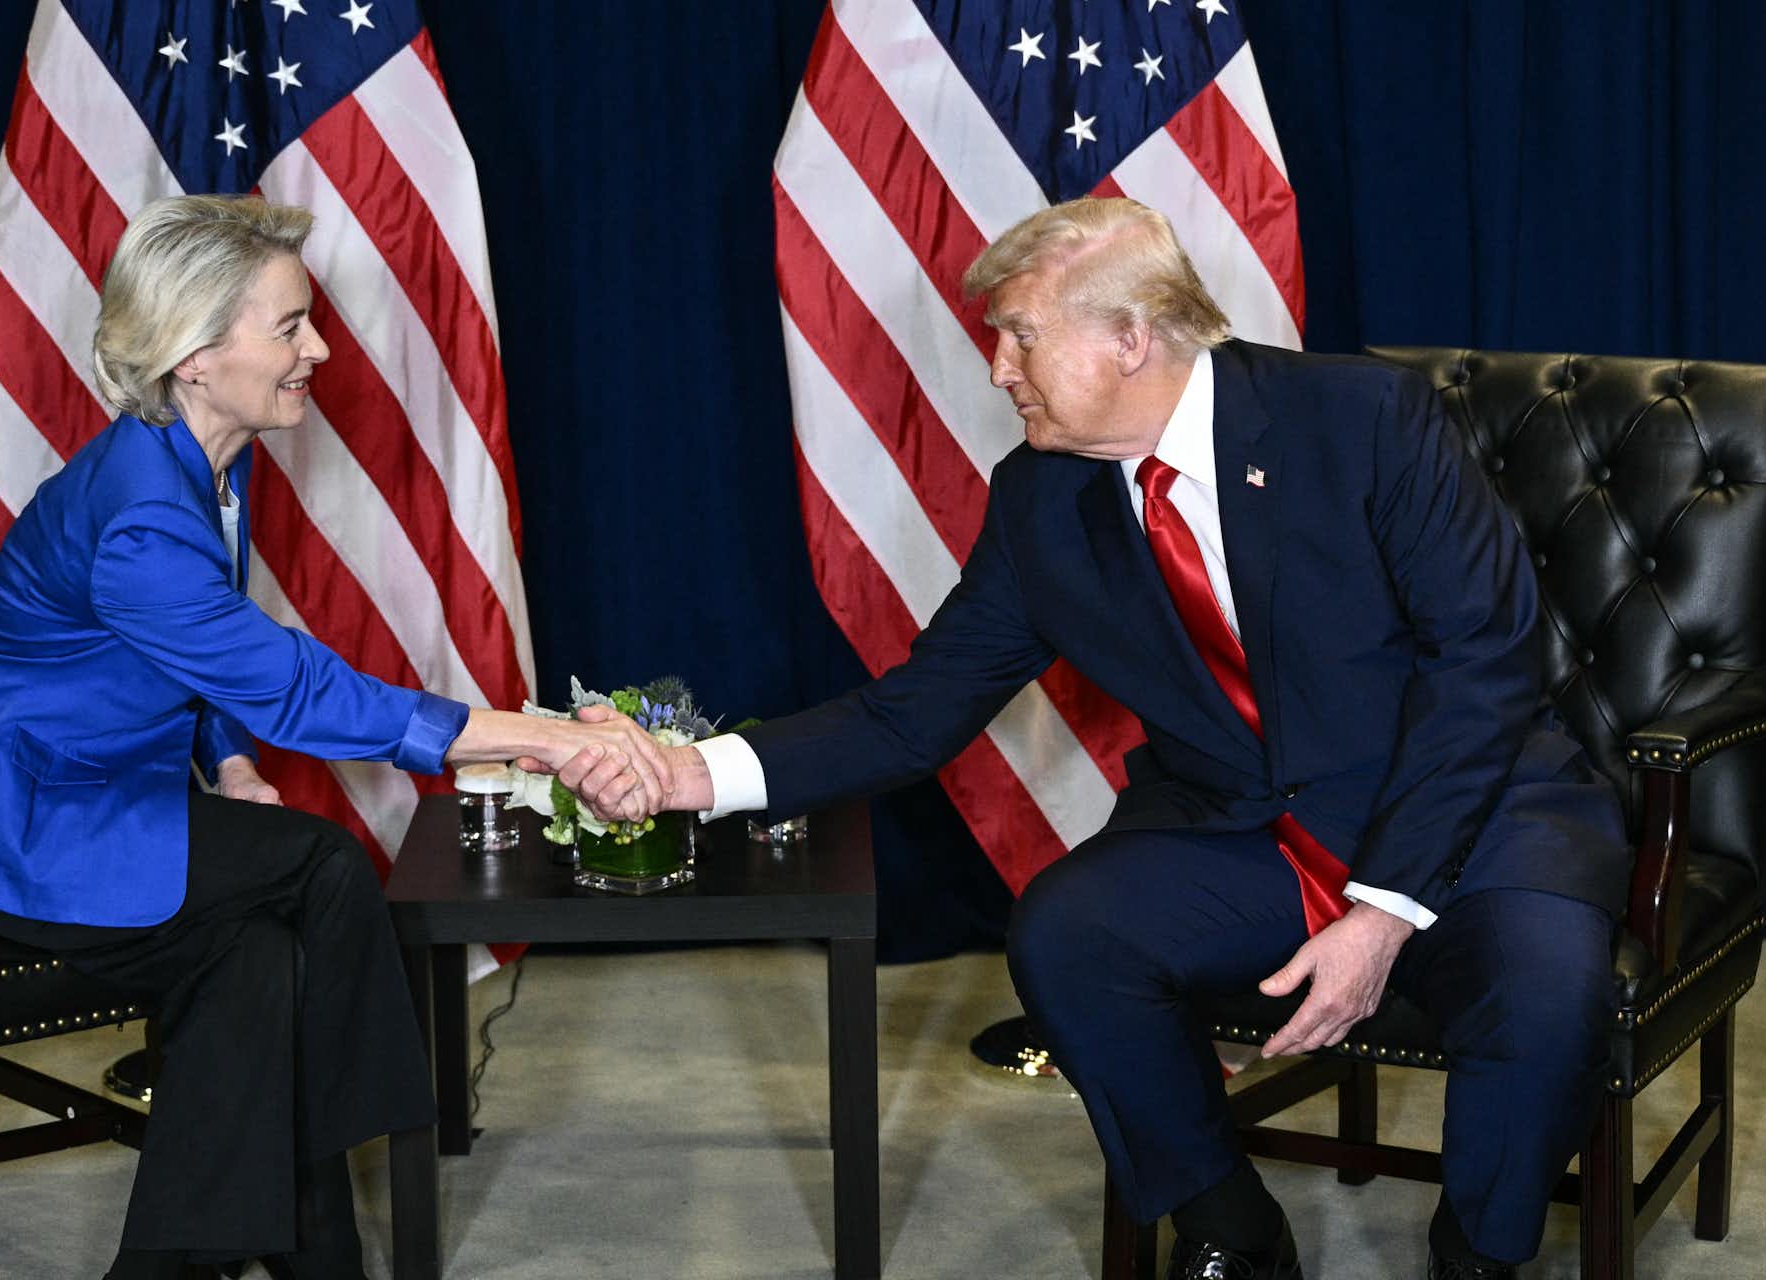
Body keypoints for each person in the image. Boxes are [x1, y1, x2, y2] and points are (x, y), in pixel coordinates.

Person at [644, 197, 1626, 1279]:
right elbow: (914, 709)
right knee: (1069, 931)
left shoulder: (1362, 419)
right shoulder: (1040, 497)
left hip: (1468, 814)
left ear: (1130, 334)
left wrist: (1382, 913)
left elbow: (1482, 668)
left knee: (1546, 992)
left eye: (1019, 334)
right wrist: (690, 774)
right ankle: (1230, 1228)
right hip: (1250, 829)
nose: (997, 369)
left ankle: (1477, 1253)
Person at [0, 194, 665, 1280]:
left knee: (258, 960)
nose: (320, 348)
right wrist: (537, 738)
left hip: (88, 791)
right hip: (9, 819)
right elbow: (289, 683)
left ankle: (202, 1262)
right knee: (326, 866)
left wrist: (232, 764)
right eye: (289, 327)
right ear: (194, 356)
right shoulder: (145, 511)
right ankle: (378, 1133)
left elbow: (208, 656)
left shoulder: (197, 461)